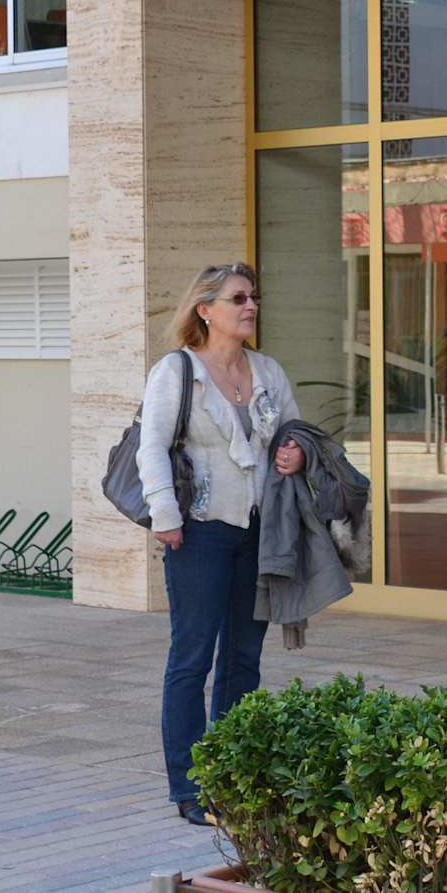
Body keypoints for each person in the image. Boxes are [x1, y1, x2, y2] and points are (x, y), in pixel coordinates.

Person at [140, 262, 303, 825]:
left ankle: (231, 778)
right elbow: (152, 447)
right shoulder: (178, 370)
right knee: (192, 658)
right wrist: (165, 515)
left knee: (243, 658)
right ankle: (188, 787)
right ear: (205, 310)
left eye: (253, 297)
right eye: (238, 298)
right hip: (199, 530)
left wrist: (295, 454)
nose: (250, 306)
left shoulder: (268, 371)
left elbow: (295, 433)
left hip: (259, 531)